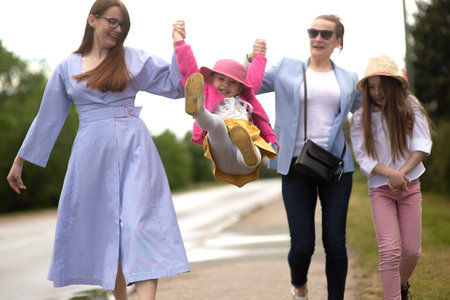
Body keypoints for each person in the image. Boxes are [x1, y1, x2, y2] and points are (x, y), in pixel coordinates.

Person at [6, 1, 189, 299]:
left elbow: (175, 85)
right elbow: (48, 117)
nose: (118, 30)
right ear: (92, 20)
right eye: (112, 22)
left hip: (135, 149)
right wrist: (19, 161)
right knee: (107, 232)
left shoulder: (134, 59)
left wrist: (179, 47)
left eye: (123, 26)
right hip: (91, 153)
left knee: (141, 226)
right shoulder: (67, 67)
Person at [250, 15, 361, 300]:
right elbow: (251, 83)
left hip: (335, 168)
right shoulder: (287, 69)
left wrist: (398, 93)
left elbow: (370, 108)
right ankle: (299, 286)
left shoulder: (349, 78)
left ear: (338, 41)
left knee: (335, 242)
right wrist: (253, 57)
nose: (318, 38)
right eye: (313, 32)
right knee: (302, 245)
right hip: (295, 165)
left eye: (326, 34)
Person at [350, 55, 433, 300]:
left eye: (380, 86)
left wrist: (402, 174)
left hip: (409, 186)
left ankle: (400, 284)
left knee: (411, 251)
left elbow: (422, 144)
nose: (376, 92)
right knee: (389, 251)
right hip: (380, 189)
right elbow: (363, 157)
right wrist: (391, 174)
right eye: (371, 87)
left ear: (393, 84)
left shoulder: (411, 106)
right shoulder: (360, 116)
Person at [172, 20, 278, 187]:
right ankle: (197, 110)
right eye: (221, 79)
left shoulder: (246, 97)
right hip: (222, 152)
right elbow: (189, 68)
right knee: (218, 125)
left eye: (232, 83)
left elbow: (255, 77)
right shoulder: (208, 89)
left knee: (253, 147)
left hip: (245, 163)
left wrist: (259, 56)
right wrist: (179, 41)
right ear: (211, 78)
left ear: (241, 87)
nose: (225, 86)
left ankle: (246, 148)